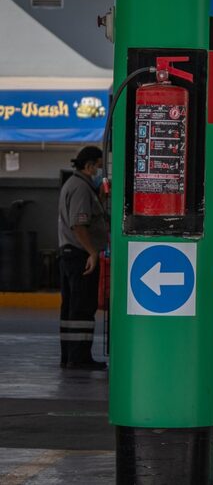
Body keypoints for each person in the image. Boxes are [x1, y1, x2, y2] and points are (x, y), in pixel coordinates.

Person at [57, 146, 109, 370]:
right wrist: (92, 252)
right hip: (80, 256)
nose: (100, 171)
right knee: (82, 306)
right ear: (88, 166)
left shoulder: (77, 185)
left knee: (71, 307)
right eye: (98, 166)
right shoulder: (80, 188)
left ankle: (69, 356)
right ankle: (79, 359)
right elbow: (79, 224)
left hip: (71, 254)